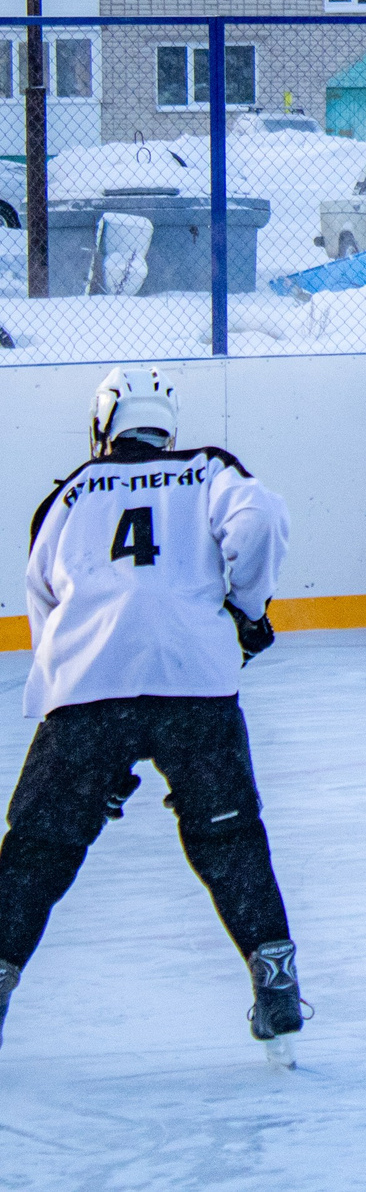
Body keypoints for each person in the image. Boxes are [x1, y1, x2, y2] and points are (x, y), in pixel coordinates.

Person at [2, 367, 308, 1064]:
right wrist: (247, 608)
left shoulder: (68, 493)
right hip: (192, 681)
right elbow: (261, 517)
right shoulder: (206, 471)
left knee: (37, 849)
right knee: (229, 838)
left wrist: (86, 738)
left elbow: (45, 611)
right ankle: (275, 975)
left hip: (87, 690)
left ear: (105, 422)